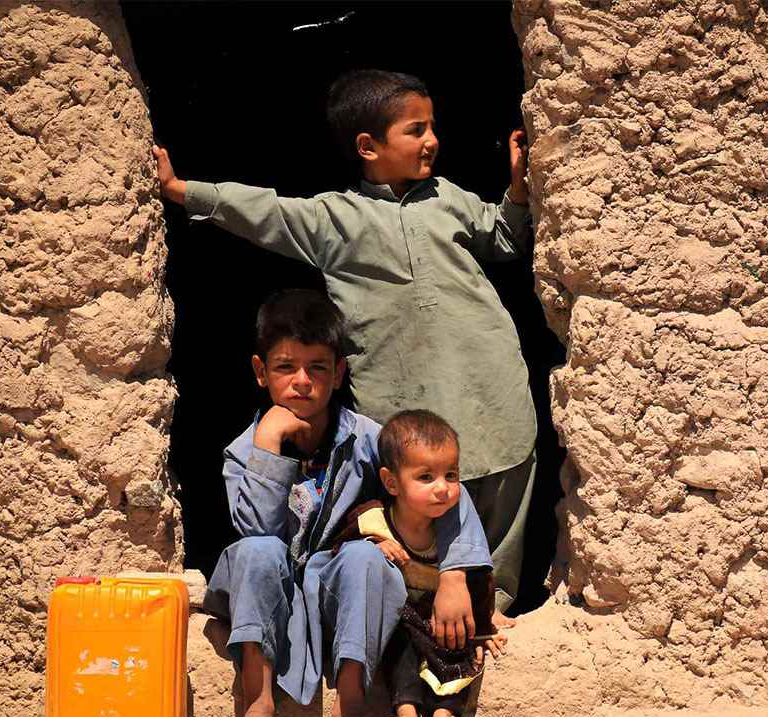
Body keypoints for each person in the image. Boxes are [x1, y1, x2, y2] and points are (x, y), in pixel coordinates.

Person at [155, 68, 537, 625]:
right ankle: (418, 617)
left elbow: (503, 237)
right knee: (416, 488)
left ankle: (493, 606)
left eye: (432, 127)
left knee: (503, 473)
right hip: (401, 384)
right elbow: (265, 210)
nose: (432, 141)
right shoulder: (335, 218)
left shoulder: (448, 198)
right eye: (416, 130)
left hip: (488, 368)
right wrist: (180, 191)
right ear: (368, 147)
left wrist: (519, 190)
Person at [202, 289, 492, 717]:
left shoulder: (366, 439)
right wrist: (270, 442)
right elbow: (256, 529)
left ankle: (348, 715)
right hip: (263, 588)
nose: (301, 381)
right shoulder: (243, 451)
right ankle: (258, 708)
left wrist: (456, 573)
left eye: (318, 367)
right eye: (284, 367)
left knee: (361, 555)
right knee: (257, 551)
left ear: (338, 374)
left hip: (329, 589)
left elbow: (434, 483)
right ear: (260, 372)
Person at [333, 410, 508, 717]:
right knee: (399, 647)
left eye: (451, 475)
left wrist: (487, 624)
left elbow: (479, 581)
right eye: (426, 477)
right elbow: (341, 549)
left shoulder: (452, 531)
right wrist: (375, 544)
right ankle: (408, 716)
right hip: (400, 619)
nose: (442, 489)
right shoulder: (373, 518)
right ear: (392, 483)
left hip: (435, 620)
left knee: (459, 642)